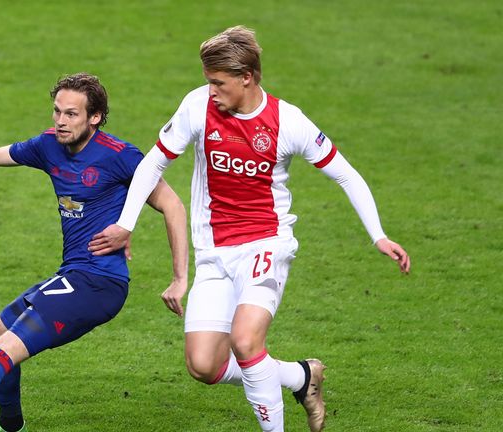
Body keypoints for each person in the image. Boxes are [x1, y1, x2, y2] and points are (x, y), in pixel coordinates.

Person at [89, 26, 411, 432]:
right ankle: (300, 377)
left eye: (218, 83)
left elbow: (346, 175)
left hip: (266, 245)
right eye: (208, 82)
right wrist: (125, 223)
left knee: (245, 342)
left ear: (247, 77)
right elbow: (153, 162)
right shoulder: (197, 106)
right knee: (204, 365)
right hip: (213, 252)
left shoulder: (287, 121)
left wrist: (378, 235)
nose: (211, 91)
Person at [0, 73, 188, 432]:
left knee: (3, 348)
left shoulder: (120, 157)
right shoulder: (48, 146)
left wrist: (179, 277)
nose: (61, 121)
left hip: (99, 284)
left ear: (95, 117)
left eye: (72, 114)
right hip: (72, 275)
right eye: (57, 111)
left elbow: (172, 205)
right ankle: (10, 425)